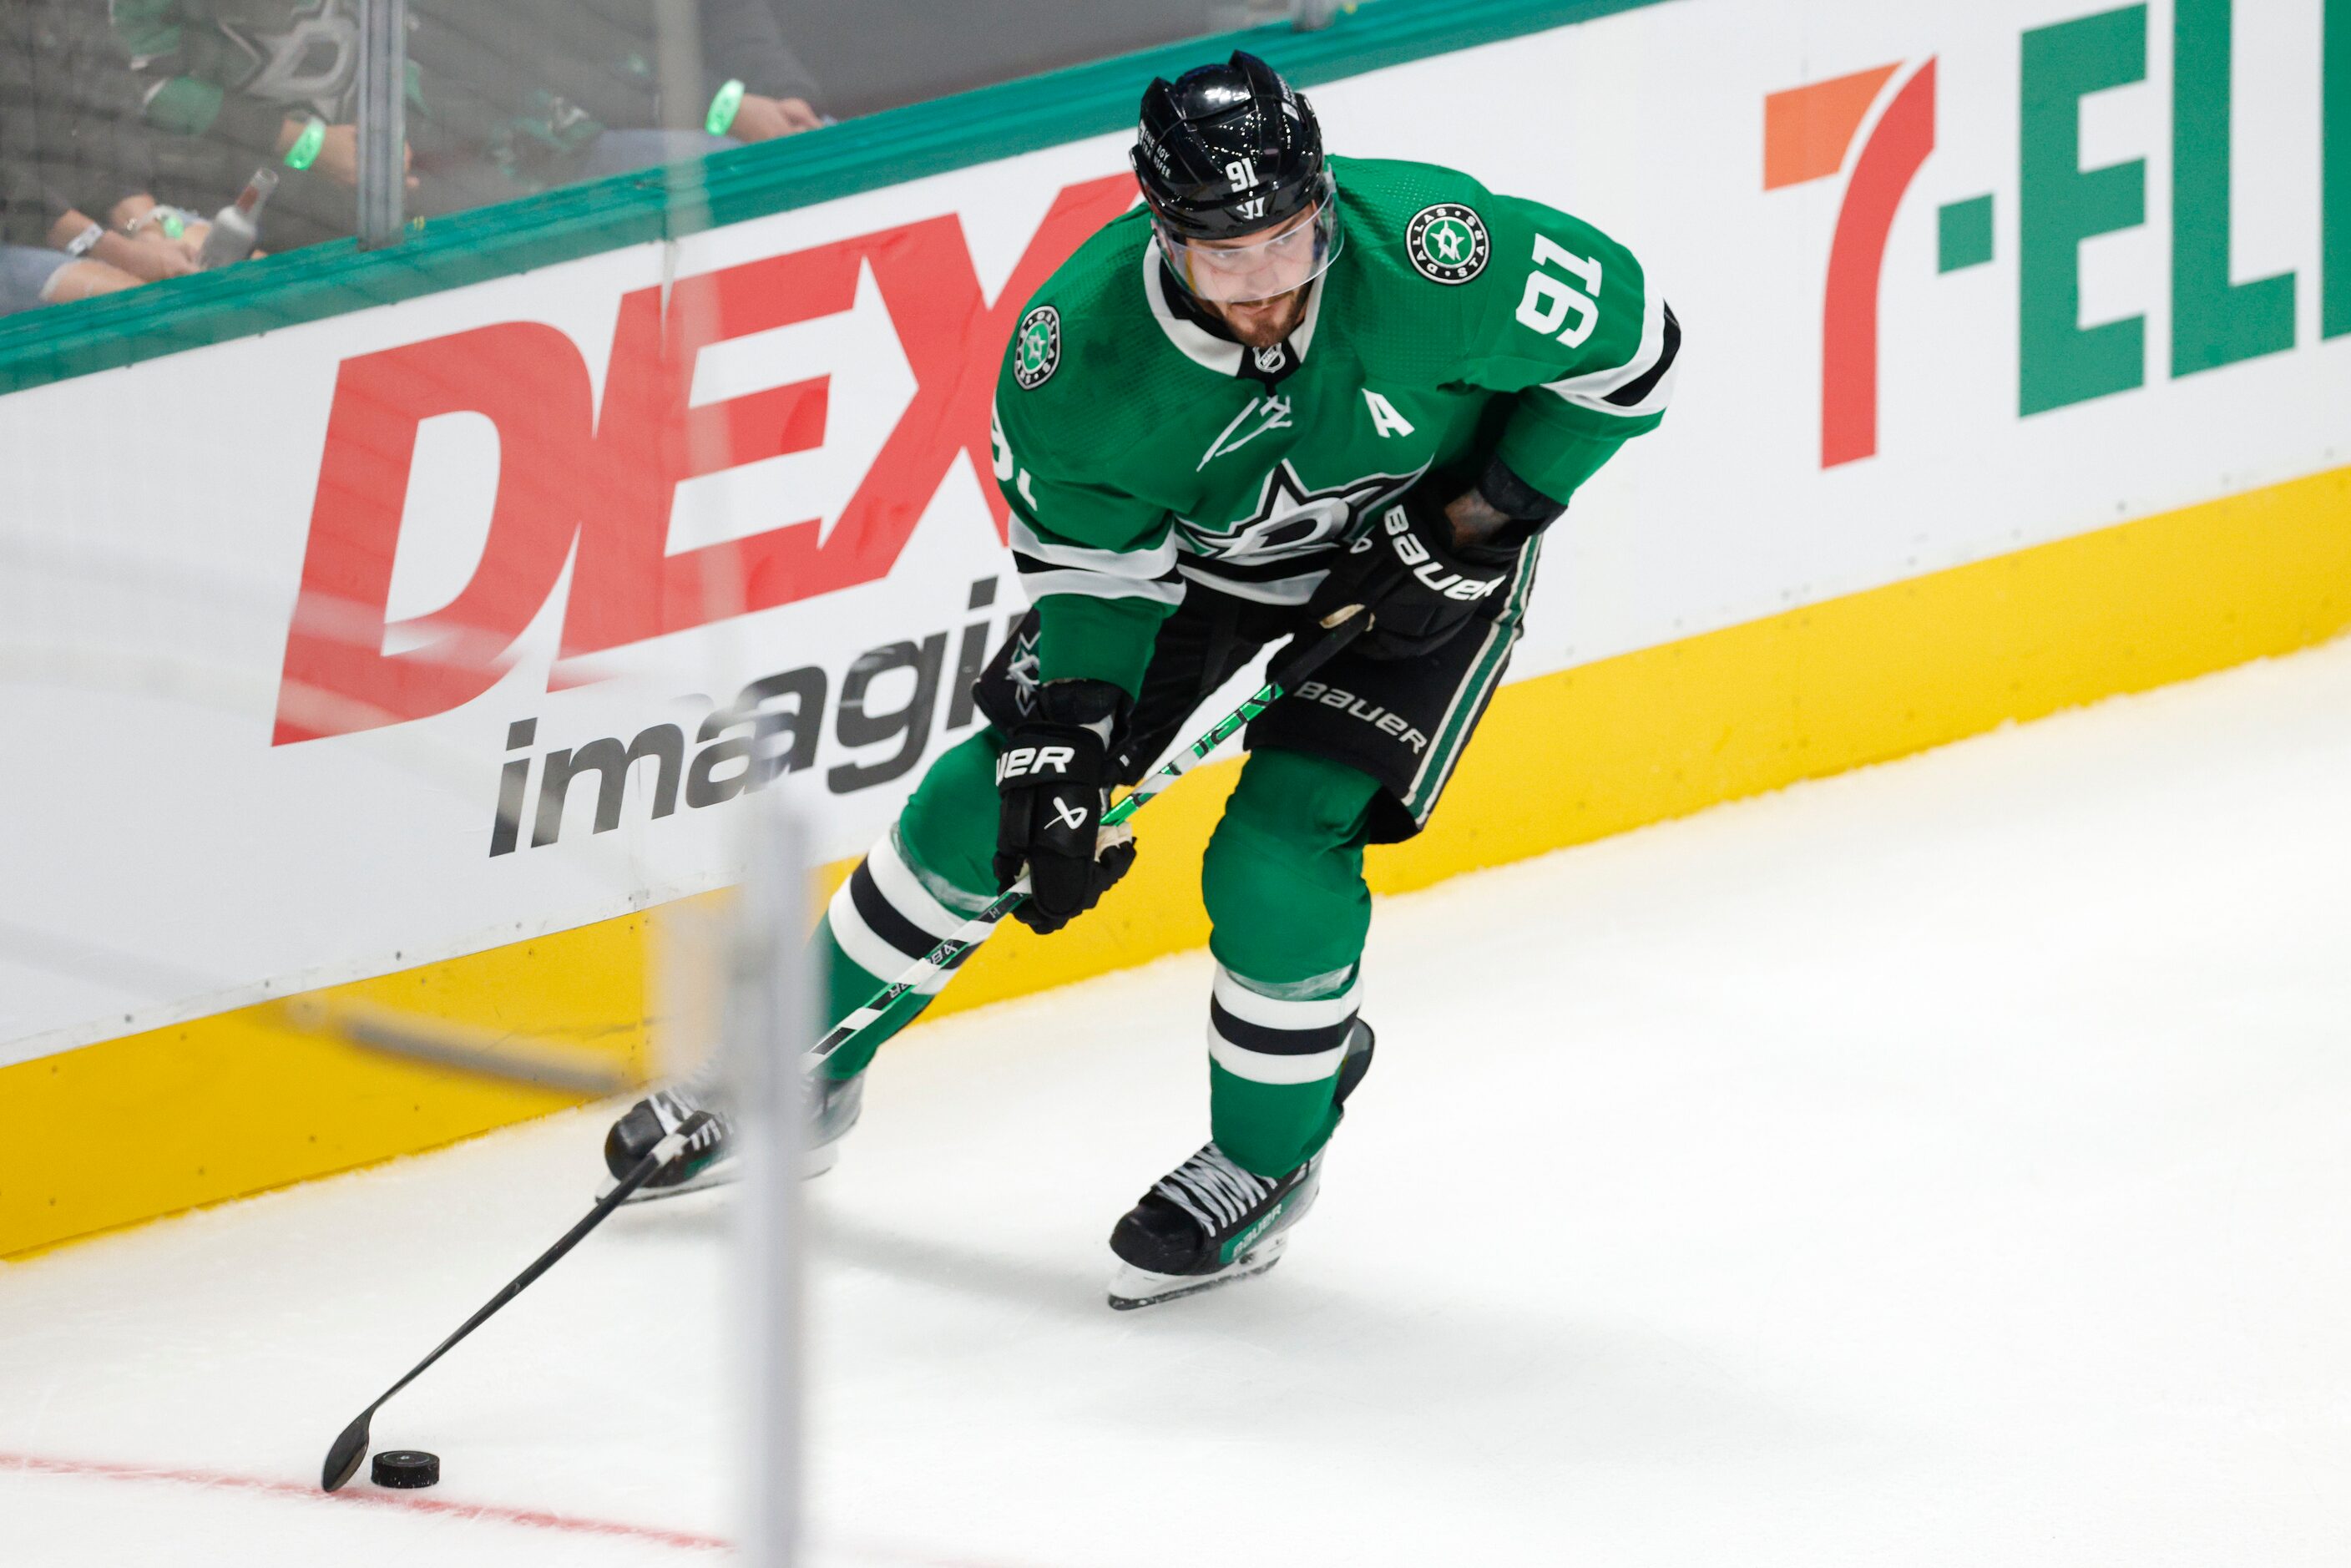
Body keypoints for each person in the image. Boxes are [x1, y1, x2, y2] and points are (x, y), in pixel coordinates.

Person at [604, 52, 1680, 1309]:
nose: (1267, 291)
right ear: (1160, 230)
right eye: (1227, 261)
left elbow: (1635, 352)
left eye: (1289, 245)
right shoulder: (1077, 359)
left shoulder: (1443, 256)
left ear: (1324, 201)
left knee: (1275, 855)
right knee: (983, 803)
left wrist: (1476, 515)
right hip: (1198, 580)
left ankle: (1267, 1159)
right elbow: (1100, 577)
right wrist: (1071, 739)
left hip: (1427, 564)